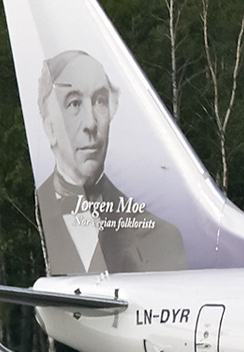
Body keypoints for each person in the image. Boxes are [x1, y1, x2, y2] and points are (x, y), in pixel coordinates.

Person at [34, 49, 187, 275]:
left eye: (99, 101)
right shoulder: (30, 217)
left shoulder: (161, 236)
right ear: (49, 128)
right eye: (74, 104)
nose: (91, 124)